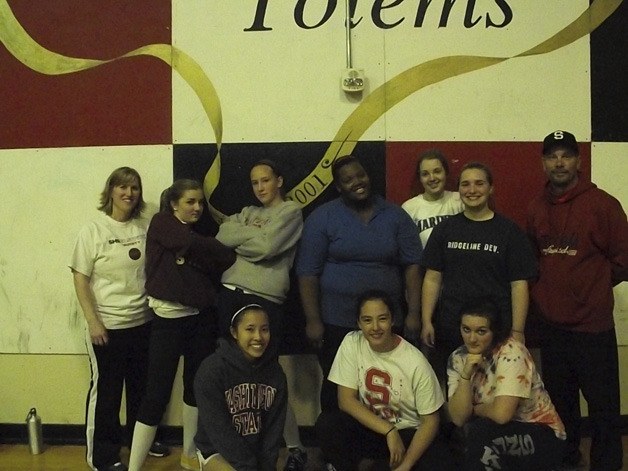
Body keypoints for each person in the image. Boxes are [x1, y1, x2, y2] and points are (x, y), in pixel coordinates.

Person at [526, 130, 627, 470]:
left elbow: (623, 260)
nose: (559, 162)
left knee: (604, 410)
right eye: (552, 156)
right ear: (543, 163)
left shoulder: (604, 205)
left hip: (592, 328)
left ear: (578, 161)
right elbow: (534, 260)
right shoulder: (536, 208)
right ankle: (569, 461)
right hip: (552, 328)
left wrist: (592, 288)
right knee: (561, 406)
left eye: (566, 155)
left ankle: (607, 465)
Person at [297, 155, 422, 411]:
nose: (357, 182)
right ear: (339, 186)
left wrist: (414, 314)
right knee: (337, 388)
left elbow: (413, 266)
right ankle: (337, 448)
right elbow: (307, 273)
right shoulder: (322, 218)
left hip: (386, 321)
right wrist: (313, 321)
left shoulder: (396, 216)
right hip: (336, 322)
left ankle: (386, 443)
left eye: (360, 175)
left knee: (388, 386)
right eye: (348, 180)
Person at [128, 179, 235, 471]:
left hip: (200, 321)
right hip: (167, 323)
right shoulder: (162, 222)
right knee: (155, 395)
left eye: (200, 202)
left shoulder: (196, 231)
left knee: (195, 388)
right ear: (174, 203)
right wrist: (205, 250)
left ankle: (189, 457)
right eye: (190, 202)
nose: (198, 207)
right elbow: (196, 247)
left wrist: (198, 253)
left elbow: (223, 259)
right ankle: (134, 467)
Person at [208, 159, 307, 470]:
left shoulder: (290, 212)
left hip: (265, 300)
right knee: (232, 376)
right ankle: (236, 448)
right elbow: (223, 233)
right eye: (255, 183)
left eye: (266, 180)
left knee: (267, 378)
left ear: (278, 180)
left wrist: (245, 240)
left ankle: (294, 449)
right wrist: (250, 236)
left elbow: (267, 247)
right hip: (230, 295)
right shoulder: (249, 213)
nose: (261, 187)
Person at [69, 167, 169, 471]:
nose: (129, 193)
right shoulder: (93, 230)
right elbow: (80, 279)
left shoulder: (144, 226)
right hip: (107, 327)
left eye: (135, 188)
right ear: (111, 190)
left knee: (141, 389)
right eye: (123, 187)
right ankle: (102, 455)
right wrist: (93, 321)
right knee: (108, 395)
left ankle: (140, 441)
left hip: (143, 323)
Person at [420, 161, 537, 380]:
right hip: (452, 329)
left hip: (495, 331)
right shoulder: (445, 229)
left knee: (492, 394)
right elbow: (433, 278)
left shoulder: (509, 232)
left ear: (491, 188)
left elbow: (519, 284)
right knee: (453, 395)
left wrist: (518, 331)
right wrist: (427, 320)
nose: (472, 190)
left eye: (479, 184)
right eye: (465, 184)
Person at [316, 290, 454, 471]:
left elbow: (430, 422)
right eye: (367, 320)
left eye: (382, 319)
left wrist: (405, 465)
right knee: (328, 424)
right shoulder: (352, 342)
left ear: (392, 320)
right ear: (358, 323)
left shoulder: (414, 361)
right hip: (374, 427)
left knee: (439, 460)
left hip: (408, 431)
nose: (375, 327)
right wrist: (388, 430)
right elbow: (346, 400)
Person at [447, 298, 566, 471]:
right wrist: (465, 376)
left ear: (494, 331)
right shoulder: (457, 358)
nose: (472, 339)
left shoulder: (511, 352)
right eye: (466, 330)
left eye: (481, 331)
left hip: (540, 431)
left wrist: (475, 409)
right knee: (460, 436)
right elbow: (458, 418)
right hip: (492, 429)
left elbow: (502, 415)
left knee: (481, 434)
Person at [194, 304, 288, 471]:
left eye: (264, 329)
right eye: (250, 329)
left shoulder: (276, 373)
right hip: (217, 451)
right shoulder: (212, 370)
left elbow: (274, 429)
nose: (258, 337)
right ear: (234, 332)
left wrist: (266, 466)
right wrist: (249, 467)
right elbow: (219, 431)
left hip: (257, 453)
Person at [401, 149, 464, 248]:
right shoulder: (409, 207)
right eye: (425, 174)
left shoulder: (460, 200)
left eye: (437, 171)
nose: (432, 178)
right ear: (420, 178)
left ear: (445, 173)